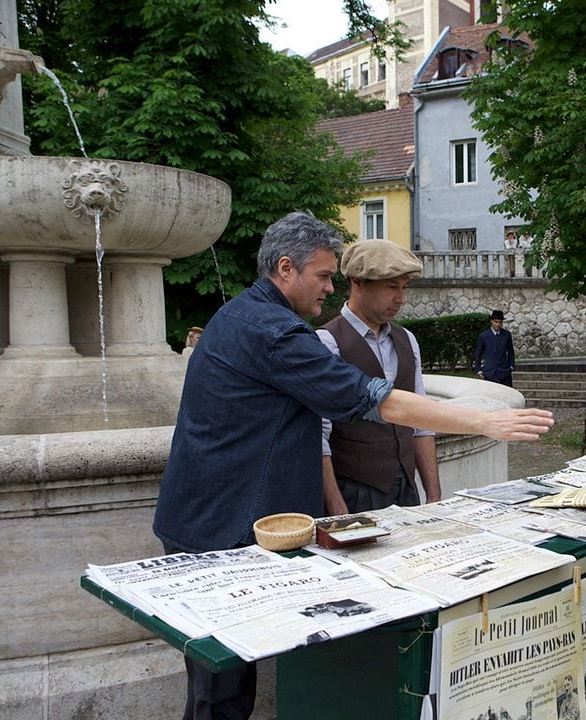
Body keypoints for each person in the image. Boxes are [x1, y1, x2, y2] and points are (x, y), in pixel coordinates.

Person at [152, 212, 553, 720]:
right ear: (285, 269)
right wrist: (482, 422)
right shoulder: (276, 334)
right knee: (221, 695)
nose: (330, 286)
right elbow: (376, 400)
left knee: (225, 688)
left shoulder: (245, 316)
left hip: (212, 519)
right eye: (323, 275)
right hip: (219, 529)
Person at [317, 239, 440, 515]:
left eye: (404, 287)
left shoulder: (407, 340)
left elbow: (421, 422)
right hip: (354, 491)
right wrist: (337, 508)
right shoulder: (327, 342)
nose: (401, 298)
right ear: (358, 281)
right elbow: (318, 435)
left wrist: (433, 495)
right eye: (391, 286)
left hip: (406, 488)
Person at [474, 310, 516, 386]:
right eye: (496, 322)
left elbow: (511, 351)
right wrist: (478, 370)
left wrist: (511, 366)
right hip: (489, 373)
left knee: (507, 395)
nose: (498, 324)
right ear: (491, 321)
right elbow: (478, 354)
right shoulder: (484, 336)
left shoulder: (507, 335)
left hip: (504, 372)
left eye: (500, 322)